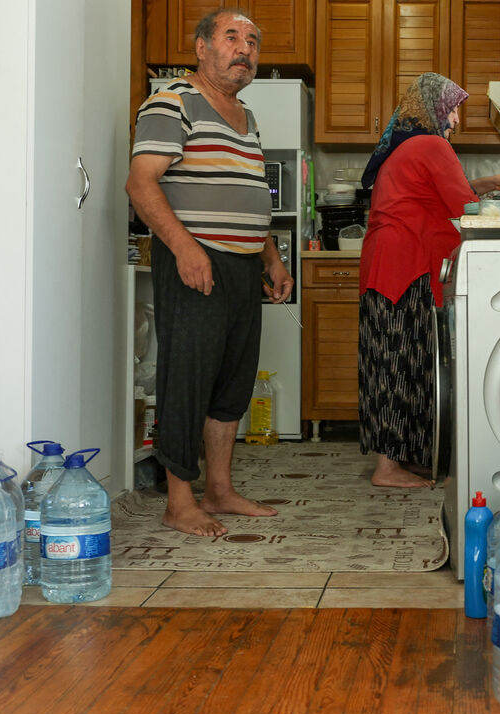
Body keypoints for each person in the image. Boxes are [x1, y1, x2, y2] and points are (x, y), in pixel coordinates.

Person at [125, 8, 293, 536]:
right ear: (202, 48)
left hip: (243, 266)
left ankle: (218, 490)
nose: (245, 48)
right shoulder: (172, 101)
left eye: (253, 40)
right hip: (196, 260)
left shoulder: (247, 117)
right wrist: (184, 248)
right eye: (231, 37)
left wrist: (270, 256)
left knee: (232, 382)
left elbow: (246, 194)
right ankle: (180, 502)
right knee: (188, 379)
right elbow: (141, 183)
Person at [357, 73, 500, 488]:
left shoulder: (410, 144)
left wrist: (488, 184)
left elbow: (448, 193)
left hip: (391, 261)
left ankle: (398, 458)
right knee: (400, 359)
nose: (458, 119)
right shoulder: (432, 144)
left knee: (399, 357)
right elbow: (462, 205)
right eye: (455, 108)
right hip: (405, 263)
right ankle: (387, 469)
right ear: (438, 108)